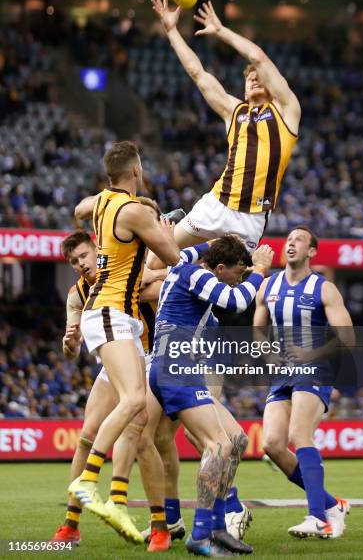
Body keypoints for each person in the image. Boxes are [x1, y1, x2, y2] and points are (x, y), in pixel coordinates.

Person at [68, 141, 179, 552]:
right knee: (134, 402)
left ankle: (143, 518)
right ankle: (89, 483)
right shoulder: (135, 211)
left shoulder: (102, 202)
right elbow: (172, 255)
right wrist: (163, 229)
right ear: (137, 170)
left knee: (137, 422)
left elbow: (81, 208)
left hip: (116, 318)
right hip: (115, 312)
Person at [147, 236, 274, 556]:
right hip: (177, 367)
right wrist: (258, 270)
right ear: (219, 268)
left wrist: (215, 240)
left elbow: (189, 250)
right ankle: (202, 532)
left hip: (175, 365)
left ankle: (217, 527)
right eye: (238, 272)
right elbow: (236, 301)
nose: (240, 278)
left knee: (236, 441)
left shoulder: (183, 264)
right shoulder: (198, 275)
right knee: (217, 445)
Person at [149, 0, 300, 256]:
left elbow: (259, 57)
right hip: (217, 205)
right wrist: (172, 31)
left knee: (233, 290)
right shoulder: (234, 111)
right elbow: (198, 74)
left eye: (258, 77)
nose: (253, 78)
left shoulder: (286, 111)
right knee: (155, 260)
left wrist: (221, 31)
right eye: (248, 77)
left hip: (251, 219)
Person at [52, 228, 167, 548]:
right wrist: (70, 343)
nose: (80, 264)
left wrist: (155, 276)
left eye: (84, 256)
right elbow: (71, 350)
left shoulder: (121, 269)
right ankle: (70, 526)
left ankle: (160, 526)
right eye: (74, 262)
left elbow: (158, 283)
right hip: (115, 357)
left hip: (148, 356)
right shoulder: (77, 295)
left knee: (143, 438)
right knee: (86, 435)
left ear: (97, 251)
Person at [253, 226, 354, 538]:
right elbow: (257, 332)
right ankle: (331, 504)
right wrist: (269, 357)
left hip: (315, 369)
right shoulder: (267, 286)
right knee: (272, 445)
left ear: (312, 251)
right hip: (281, 373)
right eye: (288, 239)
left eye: (299, 240)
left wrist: (312, 353)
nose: (291, 243)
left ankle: (317, 517)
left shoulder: (323, 289)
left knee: (299, 435)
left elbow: (348, 337)